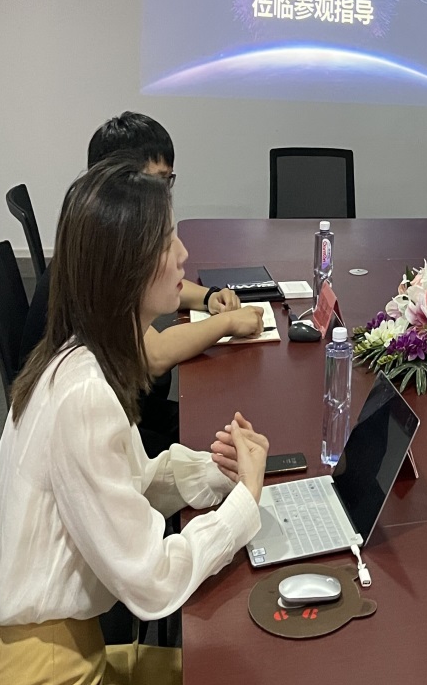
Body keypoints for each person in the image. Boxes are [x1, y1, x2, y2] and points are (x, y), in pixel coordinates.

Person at [0, 154, 268, 685]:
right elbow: (152, 581)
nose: (183, 255)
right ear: (126, 266)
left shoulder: (75, 357)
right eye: (168, 242)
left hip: (54, 670)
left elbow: (127, 488)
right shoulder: (86, 396)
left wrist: (214, 472)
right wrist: (243, 507)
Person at [21, 113, 261, 450]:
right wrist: (228, 323)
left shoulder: (93, 246)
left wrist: (207, 297)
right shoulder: (99, 272)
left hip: (126, 406)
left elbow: (156, 282)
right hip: (110, 423)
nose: (163, 194)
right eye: (157, 181)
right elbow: (156, 355)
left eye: (168, 181)